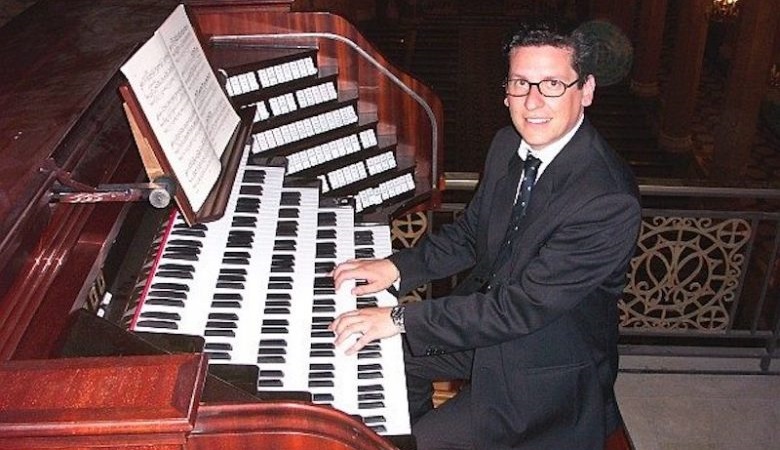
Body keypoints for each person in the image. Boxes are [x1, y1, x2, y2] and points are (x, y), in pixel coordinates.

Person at [330, 20, 641, 450]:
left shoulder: (607, 199)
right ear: (506, 90)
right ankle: (411, 422)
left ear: (585, 91)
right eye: (520, 83)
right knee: (389, 359)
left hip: (546, 366)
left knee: (421, 441)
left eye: (552, 84)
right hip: (492, 325)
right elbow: (470, 233)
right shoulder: (506, 145)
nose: (532, 101)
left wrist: (400, 318)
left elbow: (520, 308)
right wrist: (396, 267)